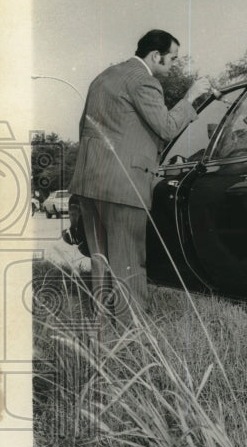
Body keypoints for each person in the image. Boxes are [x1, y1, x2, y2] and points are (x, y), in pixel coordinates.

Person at [69, 29, 214, 320]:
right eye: (172, 58)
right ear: (155, 55)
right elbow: (167, 128)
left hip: (90, 182)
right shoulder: (145, 81)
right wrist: (190, 97)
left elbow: (87, 128)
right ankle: (131, 329)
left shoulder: (104, 77)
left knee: (101, 260)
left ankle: (103, 322)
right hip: (124, 185)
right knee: (129, 263)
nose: (173, 65)